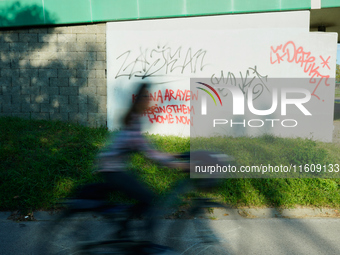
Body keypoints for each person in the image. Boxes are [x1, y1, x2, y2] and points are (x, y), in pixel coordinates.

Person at [78, 82, 187, 248]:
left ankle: (125, 231)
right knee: (149, 198)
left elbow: (151, 151)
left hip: (114, 168)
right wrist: (183, 166)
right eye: (147, 98)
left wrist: (178, 156)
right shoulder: (134, 126)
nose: (150, 101)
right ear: (140, 100)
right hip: (112, 171)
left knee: (141, 195)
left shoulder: (134, 120)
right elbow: (153, 156)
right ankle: (140, 242)